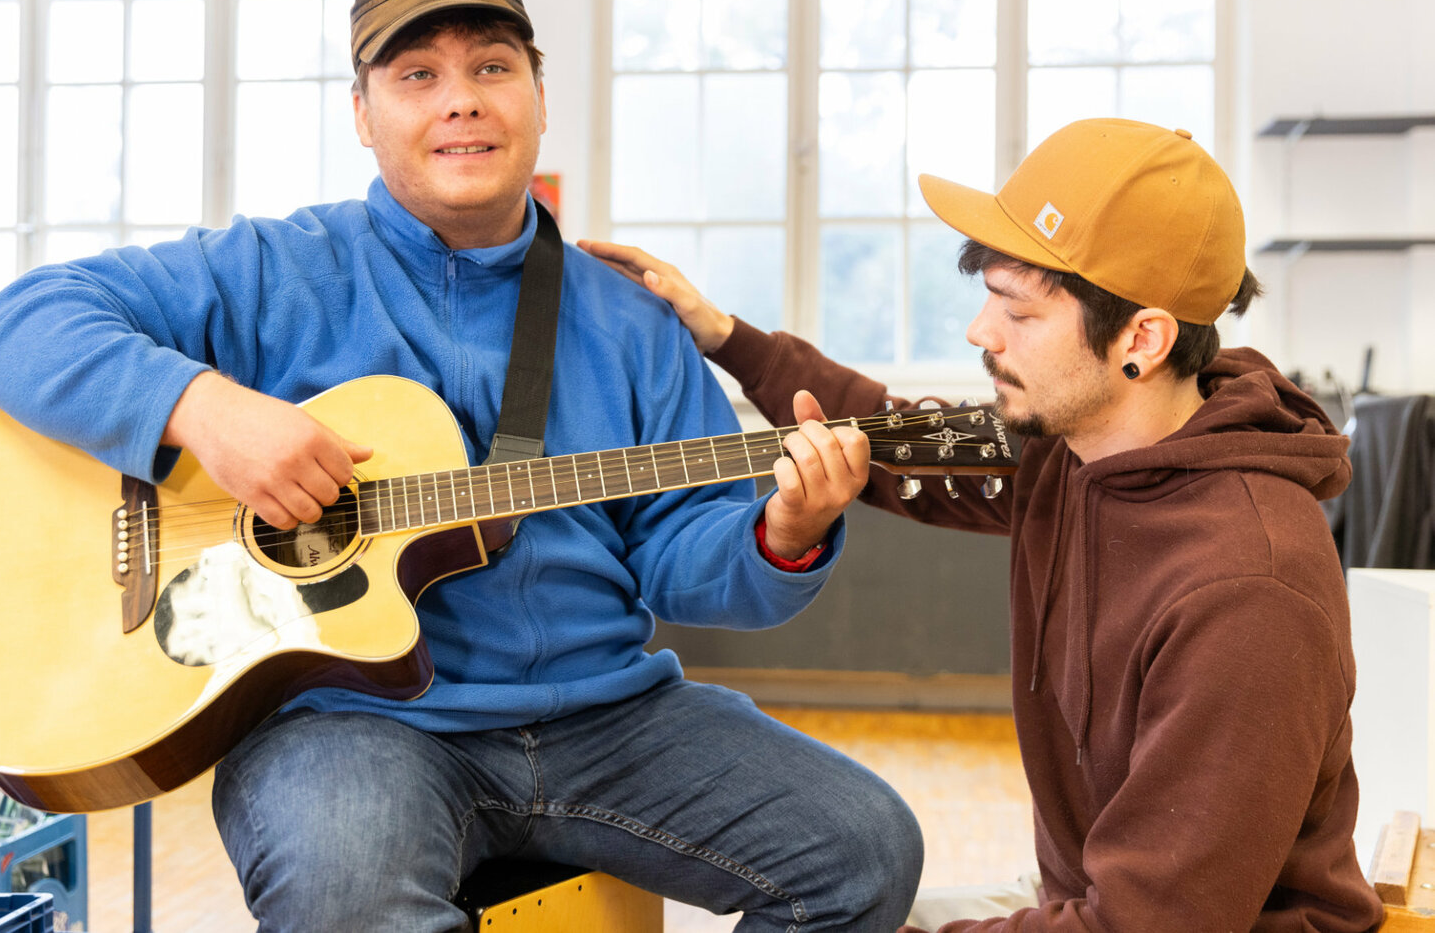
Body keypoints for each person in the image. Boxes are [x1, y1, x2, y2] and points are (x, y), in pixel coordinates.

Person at [0, 0, 924, 932]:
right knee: (348, 892)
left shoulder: (635, 322)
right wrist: (202, 408)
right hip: (350, 723)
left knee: (864, 852)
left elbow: (686, 561)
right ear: (363, 114)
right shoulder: (271, 269)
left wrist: (783, 531)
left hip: (610, 718)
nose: (461, 101)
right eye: (417, 75)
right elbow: (21, 324)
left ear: (540, 98)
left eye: (493, 67)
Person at [583, 117, 1384, 932]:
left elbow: (1150, 924)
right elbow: (896, 437)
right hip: (1086, 907)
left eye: (1020, 314)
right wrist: (726, 336)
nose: (979, 332)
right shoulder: (1074, 446)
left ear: (1143, 337)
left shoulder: (1248, 588)